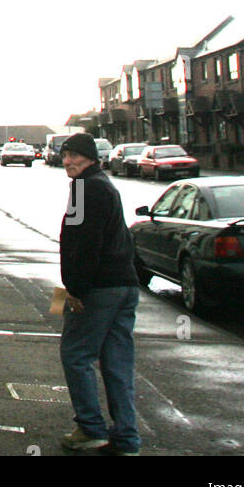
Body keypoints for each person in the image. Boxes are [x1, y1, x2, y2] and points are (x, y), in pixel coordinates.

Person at [57, 132, 142, 455]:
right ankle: (127, 439)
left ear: (91, 158)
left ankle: (91, 429)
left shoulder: (82, 189)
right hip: (125, 285)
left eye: (75, 156)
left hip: (97, 289)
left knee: (75, 354)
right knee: (117, 362)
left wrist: (76, 289)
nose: (68, 162)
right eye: (65, 155)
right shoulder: (105, 185)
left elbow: (82, 243)